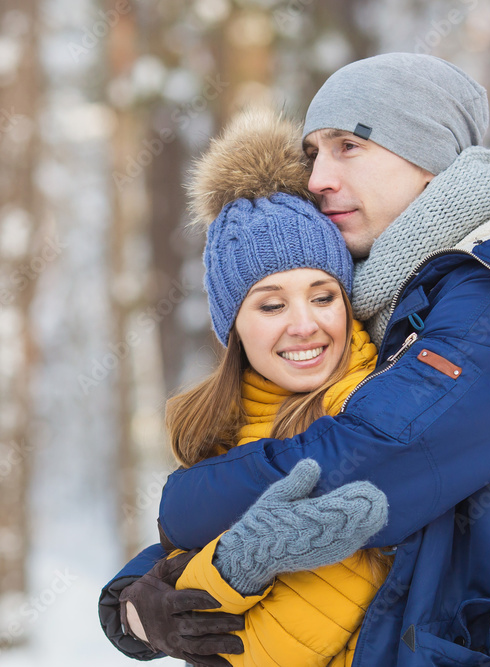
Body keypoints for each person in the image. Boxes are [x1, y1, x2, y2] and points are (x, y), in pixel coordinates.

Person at [100, 52, 490, 667]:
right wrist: (135, 597)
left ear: (429, 157)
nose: (318, 178)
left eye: (348, 146)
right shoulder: (397, 302)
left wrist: (182, 507)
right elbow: (294, 461)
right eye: (312, 154)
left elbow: (367, 462)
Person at [118, 106, 400, 667]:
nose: (304, 323)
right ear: (234, 328)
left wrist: (227, 568)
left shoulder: (377, 407)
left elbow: (281, 645)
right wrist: (130, 606)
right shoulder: (214, 431)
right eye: (271, 304)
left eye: (323, 296)